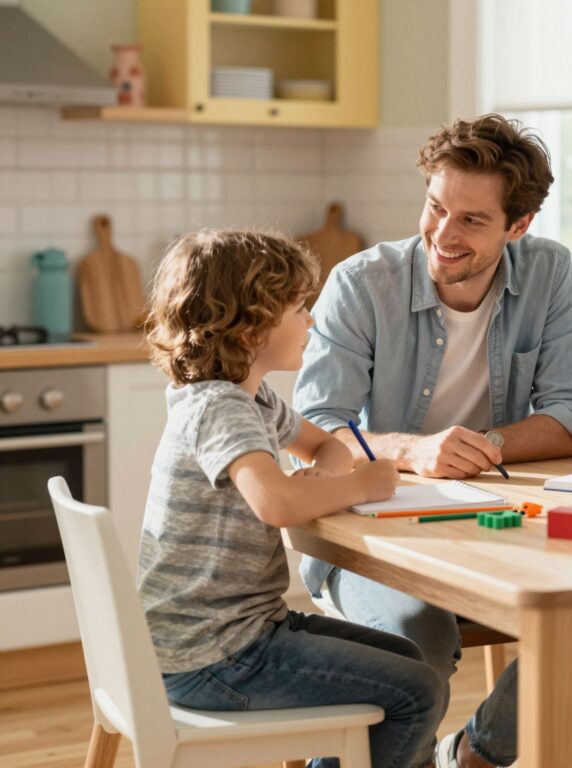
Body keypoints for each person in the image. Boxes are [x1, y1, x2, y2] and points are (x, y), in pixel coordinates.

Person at [294, 113, 572, 768]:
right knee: (417, 644)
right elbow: (314, 425)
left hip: (499, 528)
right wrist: (413, 450)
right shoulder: (361, 283)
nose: (443, 234)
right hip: (369, 539)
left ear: (519, 226)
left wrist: (485, 445)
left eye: (472, 220)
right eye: (436, 207)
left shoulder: (548, 274)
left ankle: (478, 756)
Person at [138, 229, 445, 768]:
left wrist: (321, 482)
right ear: (251, 327)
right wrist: (360, 486)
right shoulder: (219, 407)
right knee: (416, 693)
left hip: (234, 633)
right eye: (299, 308)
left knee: (408, 658)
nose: (312, 320)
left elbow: (328, 446)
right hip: (215, 656)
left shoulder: (251, 398)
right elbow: (276, 505)